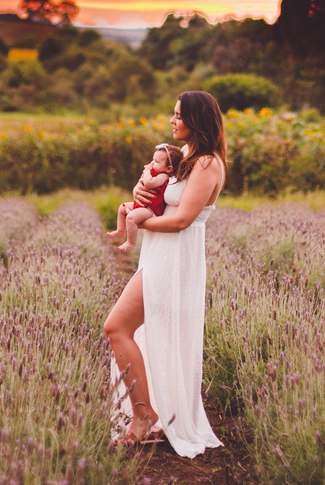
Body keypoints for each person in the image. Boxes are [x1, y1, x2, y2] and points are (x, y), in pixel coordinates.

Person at [103, 91, 226, 457]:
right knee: (138, 332)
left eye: (178, 116)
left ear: (197, 119)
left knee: (116, 327)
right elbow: (159, 199)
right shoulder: (185, 157)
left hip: (175, 258)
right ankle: (148, 414)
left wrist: (143, 223)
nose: (172, 121)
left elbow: (184, 219)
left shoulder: (207, 164)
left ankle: (145, 416)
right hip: (159, 254)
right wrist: (141, 192)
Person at [106, 143, 184, 253]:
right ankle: (120, 230)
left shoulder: (163, 176)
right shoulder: (156, 172)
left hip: (151, 209)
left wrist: (146, 171)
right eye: (153, 159)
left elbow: (148, 183)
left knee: (131, 217)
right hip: (144, 204)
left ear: (169, 168)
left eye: (157, 162)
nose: (152, 163)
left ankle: (131, 242)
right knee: (122, 208)